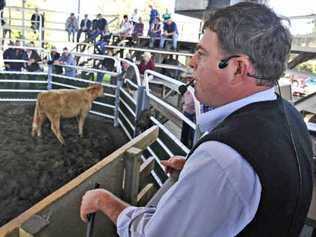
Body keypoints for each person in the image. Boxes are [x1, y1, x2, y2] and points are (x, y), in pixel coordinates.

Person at [80, 3, 313, 237]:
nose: (191, 62)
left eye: (201, 54)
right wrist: (197, 172)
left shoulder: (222, 158)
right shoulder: (289, 115)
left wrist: (104, 201)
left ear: (237, 68)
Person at [180, 71, 195, 148]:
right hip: (188, 111)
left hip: (194, 112)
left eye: (190, 78)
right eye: (187, 78)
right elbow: (186, 102)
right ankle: (183, 144)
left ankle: (191, 146)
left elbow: (189, 102)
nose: (188, 79)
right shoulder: (187, 87)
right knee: (185, 130)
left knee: (193, 132)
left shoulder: (196, 86)